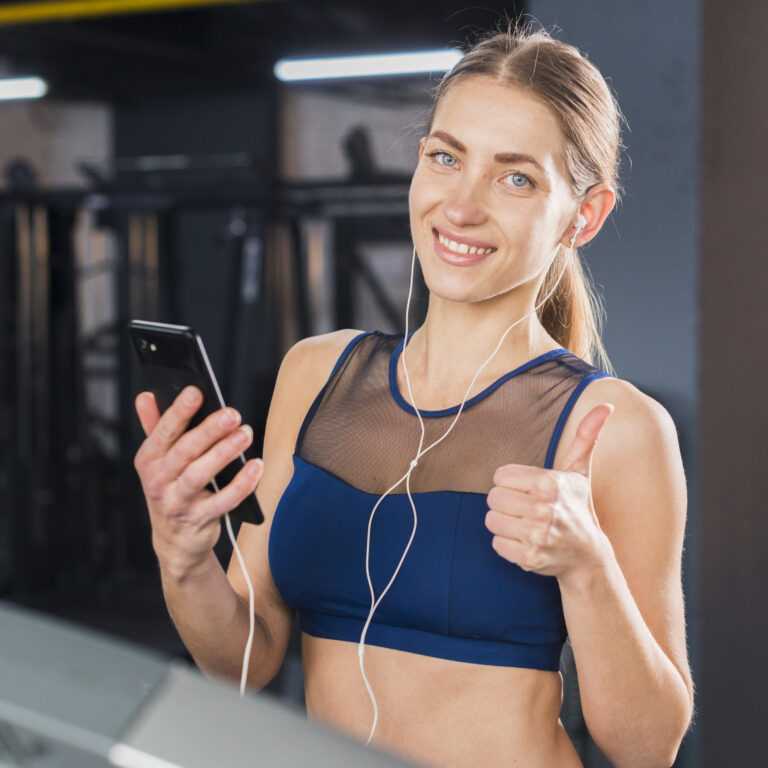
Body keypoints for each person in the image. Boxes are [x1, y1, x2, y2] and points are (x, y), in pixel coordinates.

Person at [133, 23, 694, 768]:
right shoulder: (316, 374)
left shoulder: (614, 427)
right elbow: (247, 660)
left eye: (515, 178)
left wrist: (587, 566)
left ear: (583, 216)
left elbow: (649, 747)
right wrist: (182, 557)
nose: (460, 207)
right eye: (446, 158)